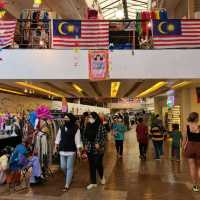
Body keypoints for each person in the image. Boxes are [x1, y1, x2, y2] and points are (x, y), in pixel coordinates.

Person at [55, 113, 82, 192]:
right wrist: (55, 146)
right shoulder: (61, 127)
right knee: (63, 167)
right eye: (65, 119)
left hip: (71, 150)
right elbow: (58, 137)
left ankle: (67, 185)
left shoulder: (76, 128)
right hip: (62, 150)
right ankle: (69, 177)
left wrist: (78, 150)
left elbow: (77, 140)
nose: (65, 120)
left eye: (67, 118)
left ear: (71, 119)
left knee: (69, 168)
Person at [83, 112, 106, 190]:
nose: (90, 119)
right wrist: (85, 144)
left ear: (95, 118)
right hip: (90, 147)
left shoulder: (101, 126)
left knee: (97, 163)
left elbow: (104, 137)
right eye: (89, 117)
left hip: (98, 149)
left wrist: (99, 144)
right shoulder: (88, 125)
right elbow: (85, 136)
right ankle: (93, 182)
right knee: (91, 165)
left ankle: (102, 176)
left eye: (91, 117)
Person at [184, 112, 200, 192]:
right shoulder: (199, 127)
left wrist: (183, 148)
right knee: (199, 167)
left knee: (192, 167)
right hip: (199, 147)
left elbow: (185, 139)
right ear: (197, 118)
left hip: (190, 147)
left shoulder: (187, 127)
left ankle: (195, 186)